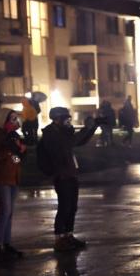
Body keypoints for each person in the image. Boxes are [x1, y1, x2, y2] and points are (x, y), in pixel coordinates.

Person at [39, 107, 97, 252]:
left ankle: (69, 235)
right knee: (64, 207)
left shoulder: (64, 132)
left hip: (70, 172)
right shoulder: (51, 134)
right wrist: (86, 129)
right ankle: (59, 238)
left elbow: (79, 141)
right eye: (66, 119)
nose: (68, 122)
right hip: (61, 174)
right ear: (57, 119)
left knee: (72, 207)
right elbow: (69, 143)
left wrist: (92, 128)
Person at [0, 108, 26, 260]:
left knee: (10, 212)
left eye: (15, 118)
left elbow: (17, 157)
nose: (14, 121)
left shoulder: (14, 135)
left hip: (13, 176)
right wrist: (7, 150)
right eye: (11, 118)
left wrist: (19, 152)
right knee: (5, 211)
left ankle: (6, 244)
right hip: (1, 178)